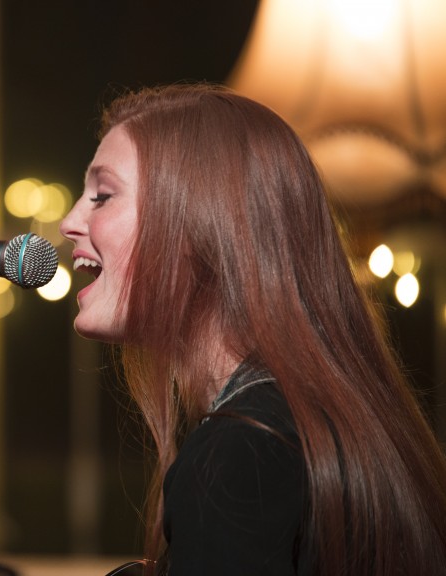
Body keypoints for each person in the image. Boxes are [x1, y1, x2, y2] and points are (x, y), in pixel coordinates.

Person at [59, 83, 446, 575]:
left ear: (201, 223)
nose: (69, 221)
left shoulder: (237, 455)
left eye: (103, 196)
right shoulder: (327, 423)